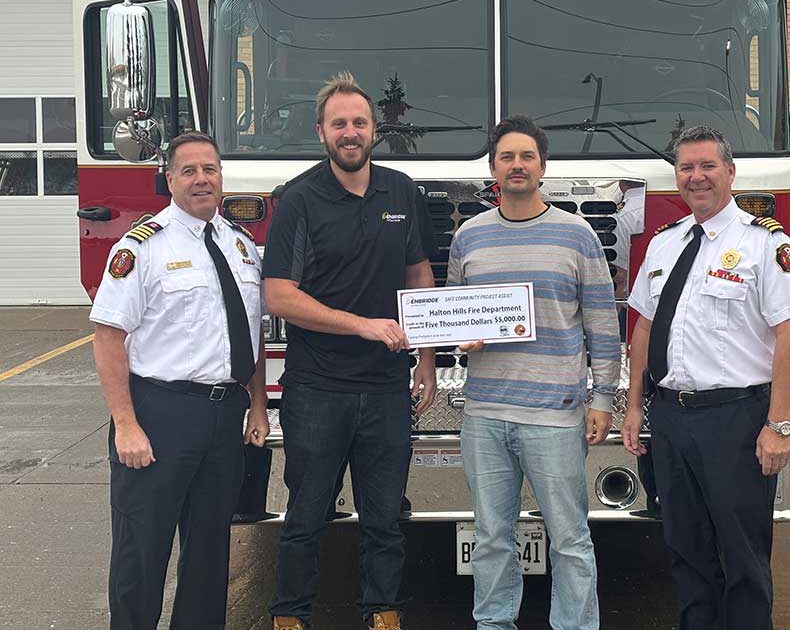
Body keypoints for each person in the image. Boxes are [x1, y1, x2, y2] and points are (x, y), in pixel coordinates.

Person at [622, 125, 790, 630]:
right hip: (670, 419)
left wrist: (779, 425)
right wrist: (634, 405)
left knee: (743, 557)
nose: (697, 176)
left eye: (707, 166)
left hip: (736, 420)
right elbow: (643, 327)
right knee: (685, 551)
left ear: (730, 172)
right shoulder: (665, 245)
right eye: (686, 167)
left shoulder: (764, 243)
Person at [265, 72, 436, 630]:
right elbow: (280, 295)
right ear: (321, 132)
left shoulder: (401, 191)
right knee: (306, 516)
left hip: (387, 387)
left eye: (359, 122)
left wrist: (429, 358)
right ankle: (290, 616)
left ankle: (381, 612)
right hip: (317, 388)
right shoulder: (299, 198)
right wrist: (361, 325)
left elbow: (418, 273)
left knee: (384, 518)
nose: (350, 131)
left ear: (373, 130)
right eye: (339, 123)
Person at [90, 131, 270, 630]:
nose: (201, 179)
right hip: (160, 412)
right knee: (141, 551)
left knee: (210, 552)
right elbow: (108, 338)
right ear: (168, 179)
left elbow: (249, 330)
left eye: (209, 169)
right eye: (188, 170)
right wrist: (125, 424)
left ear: (221, 176)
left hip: (224, 413)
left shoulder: (240, 245)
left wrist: (256, 407)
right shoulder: (141, 248)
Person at [447, 116, 621, 630]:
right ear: (493, 168)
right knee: (491, 537)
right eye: (507, 156)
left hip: (556, 415)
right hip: (484, 413)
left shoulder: (577, 234)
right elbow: (456, 309)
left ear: (543, 167)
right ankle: (494, 623)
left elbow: (601, 321)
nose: (517, 165)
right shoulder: (468, 236)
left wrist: (604, 398)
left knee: (569, 538)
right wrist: (464, 334)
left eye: (526, 156)